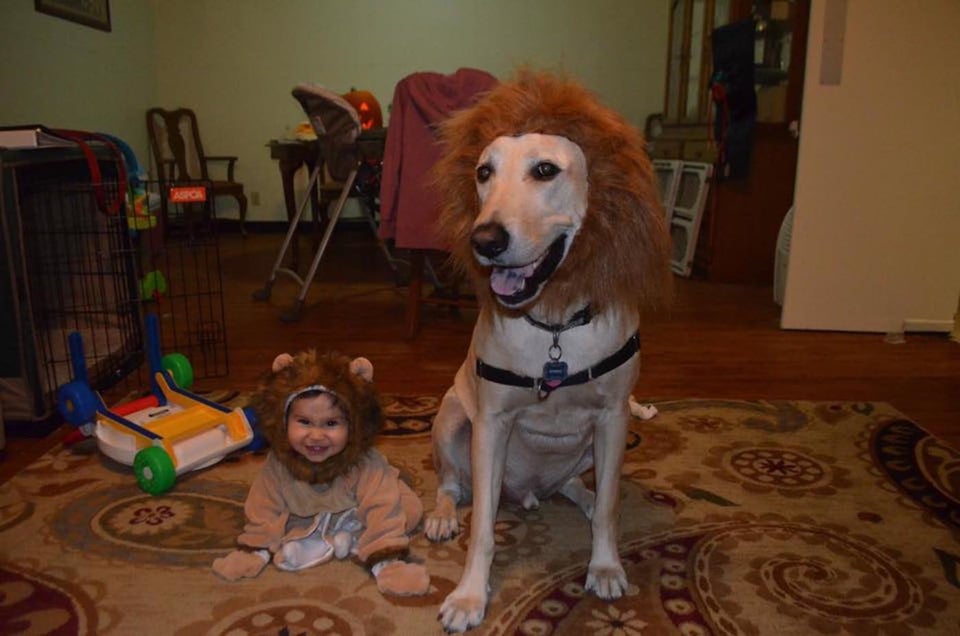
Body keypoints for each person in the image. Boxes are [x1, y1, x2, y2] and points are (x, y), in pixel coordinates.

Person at [212, 350, 429, 596]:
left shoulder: (365, 464)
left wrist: (387, 561)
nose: (316, 436)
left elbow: (383, 506)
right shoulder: (279, 463)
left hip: (358, 506)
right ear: (283, 421)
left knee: (409, 509)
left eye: (331, 423)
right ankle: (323, 537)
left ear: (354, 425)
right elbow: (262, 504)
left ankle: (349, 536)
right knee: (285, 517)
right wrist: (255, 547)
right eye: (304, 422)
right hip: (306, 507)